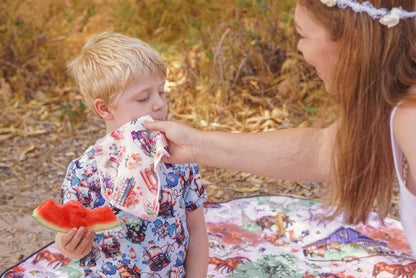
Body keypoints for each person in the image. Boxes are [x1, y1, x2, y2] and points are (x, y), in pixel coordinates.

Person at [144, 0, 416, 255]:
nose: (300, 49)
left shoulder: (410, 117)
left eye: (304, 35)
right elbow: (324, 153)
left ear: (352, 42)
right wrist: (194, 145)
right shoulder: (395, 103)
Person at [55, 31, 209, 277]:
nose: (159, 104)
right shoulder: (84, 170)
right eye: (144, 97)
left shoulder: (179, 159)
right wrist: (68, 246)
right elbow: (69, 234)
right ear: (105, 108)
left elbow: (197, 230)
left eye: (162, 92)